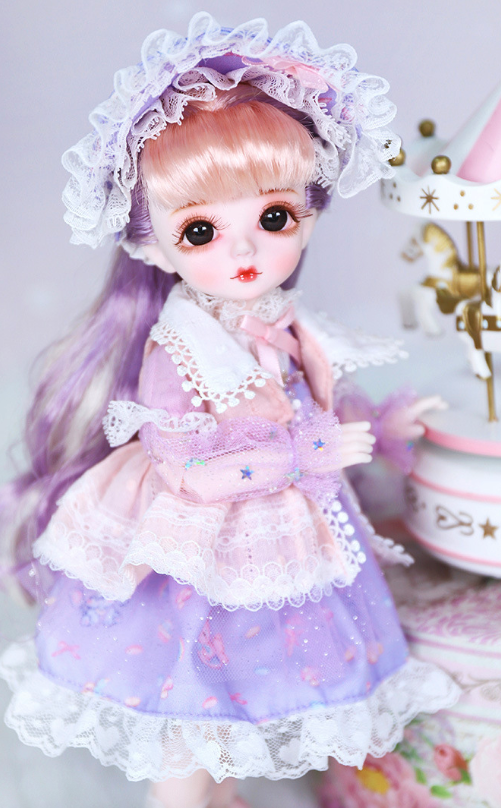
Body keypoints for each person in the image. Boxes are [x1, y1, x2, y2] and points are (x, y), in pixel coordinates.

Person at [0, 14, 458, 808]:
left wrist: (377, 429)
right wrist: (306, 456)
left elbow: (311, 401)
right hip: (194, 552)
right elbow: (186, 468)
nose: (244, 252)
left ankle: (222, 797)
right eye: (201, 231)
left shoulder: (285, 324)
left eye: (273, 218)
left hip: (288, 545)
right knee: (190, 704)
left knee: (251, 692)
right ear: (152, 245)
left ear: (307, 214)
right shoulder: (179, 349)